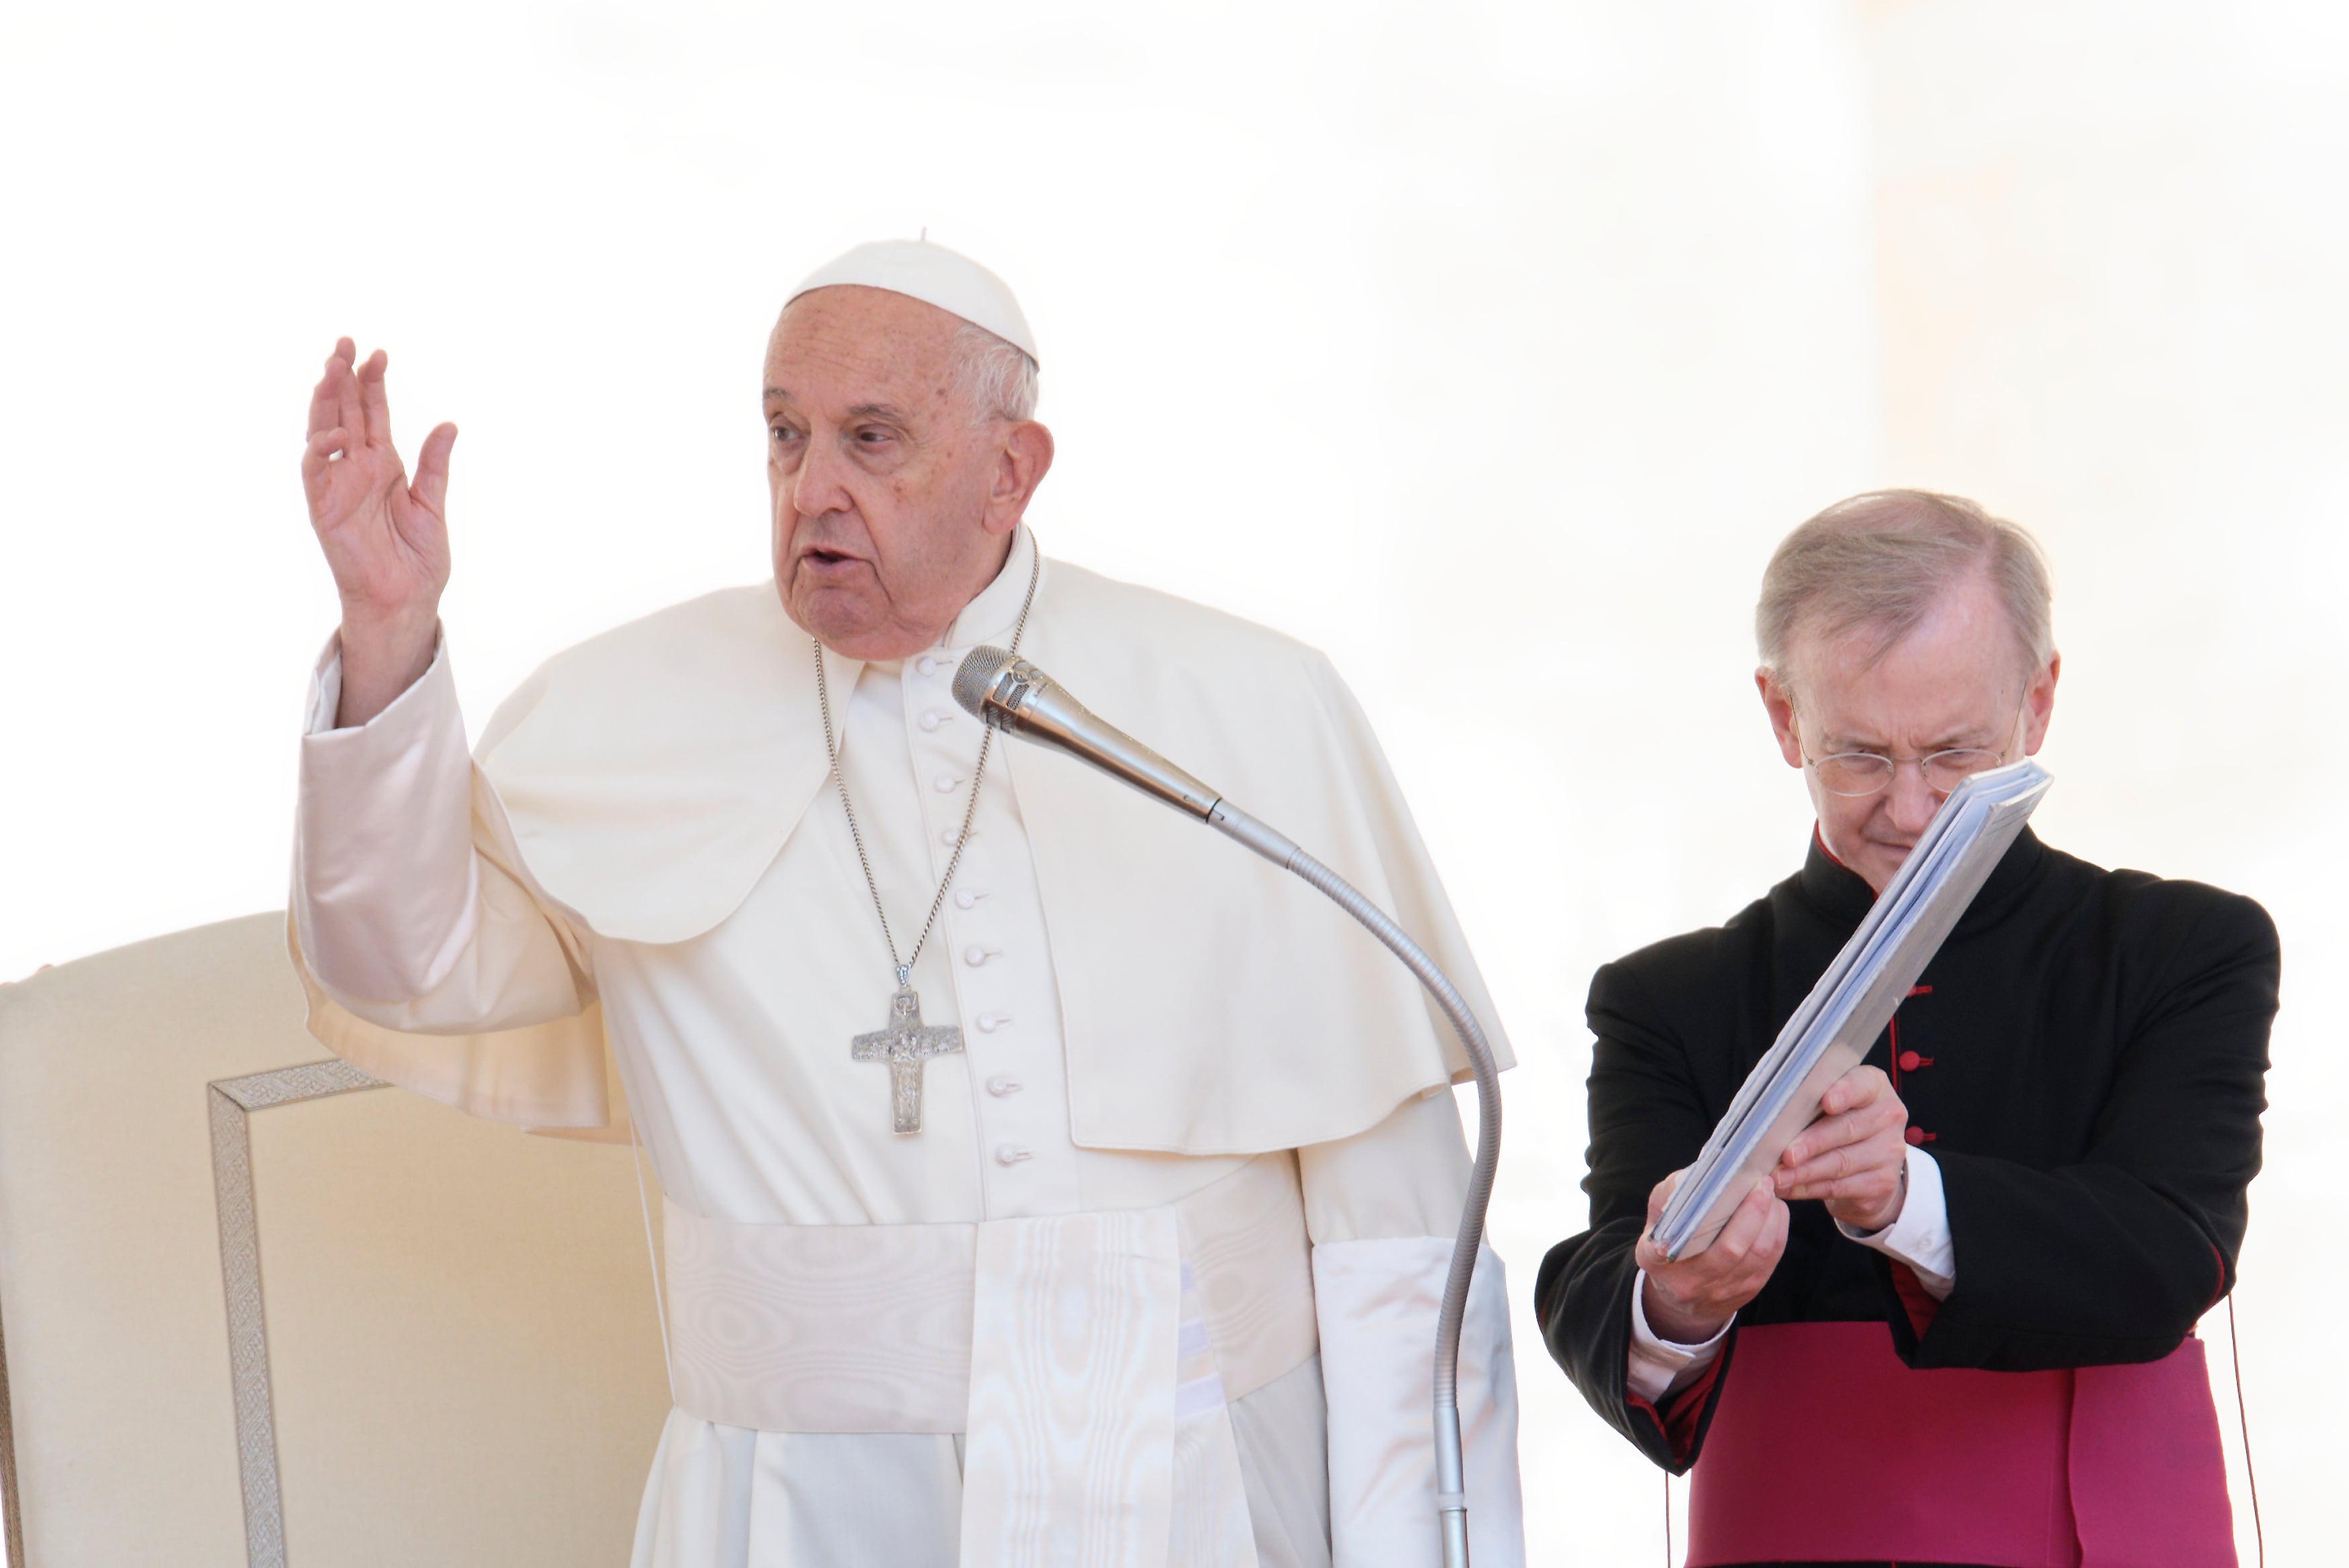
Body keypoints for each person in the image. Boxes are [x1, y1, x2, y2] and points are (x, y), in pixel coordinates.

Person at [289, 238, 1523, 1568]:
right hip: (791, 1507)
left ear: (1011, 470)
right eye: (783, 435)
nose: (811, 488)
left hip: (1195, 1482)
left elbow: (1398, 1253)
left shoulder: (1244, 704)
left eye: (871, 439)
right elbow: (404, 961)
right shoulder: (628, 710)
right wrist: (386, 634)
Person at [1534, 491, 2276, 1568]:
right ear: (1785, 719)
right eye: (1863, 756)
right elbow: (1609, 1295)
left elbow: (2174, 1253)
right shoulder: (1669, 998)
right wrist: (1677, 1300)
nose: (1915, 808)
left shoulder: (2180, 945)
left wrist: (1904, 1198)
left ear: (2040, 700)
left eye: (1955, 752)